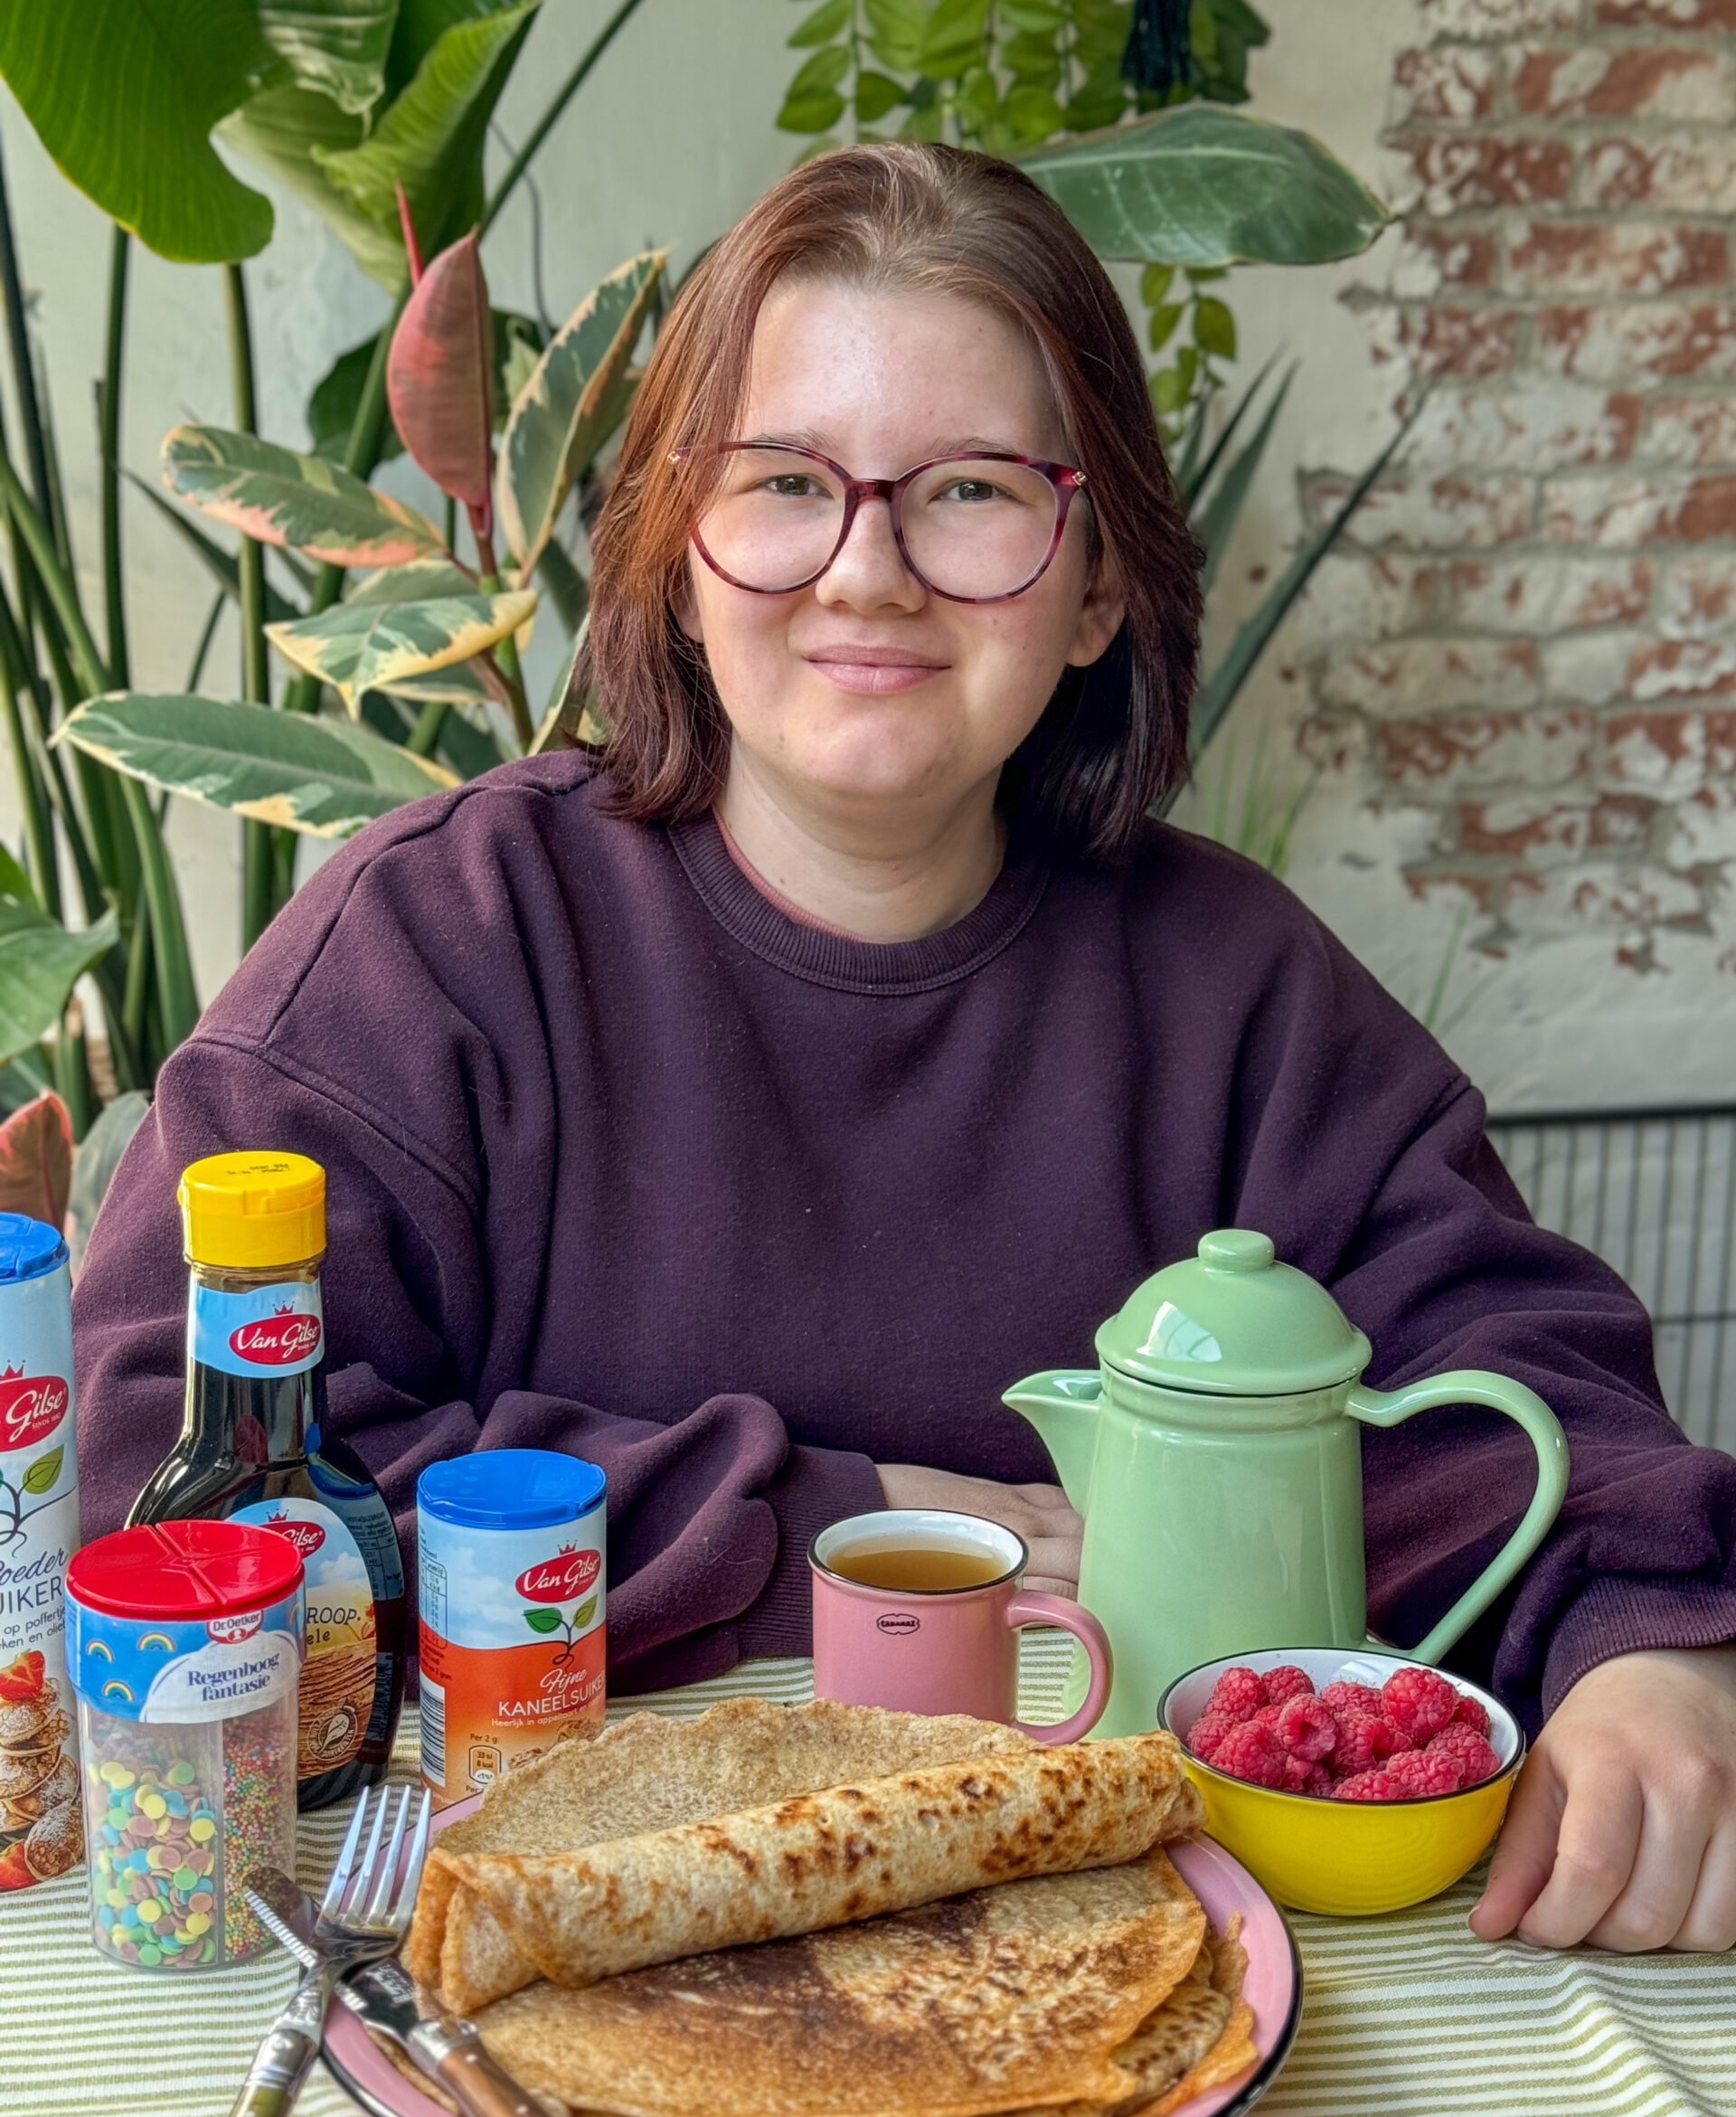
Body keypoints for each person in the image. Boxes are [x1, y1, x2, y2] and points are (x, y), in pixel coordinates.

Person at [75, 145, 1735, 1953]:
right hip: (561, 1921)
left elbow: (1508, 1373)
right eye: (789, 483)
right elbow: (165, 1465)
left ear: (1095, 586)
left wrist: (1649, 1649)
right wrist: (832, 1524)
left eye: (970, 492)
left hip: (1123, 1927)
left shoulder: (1235, 990)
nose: (868, 572)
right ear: (680, 559)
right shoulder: (441, 943)